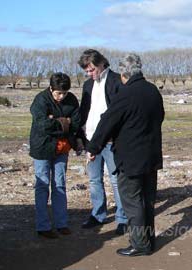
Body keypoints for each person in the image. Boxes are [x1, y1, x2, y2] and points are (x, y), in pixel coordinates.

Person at [86, 53, 164, 256]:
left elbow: (107, 122)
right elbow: (160, 117)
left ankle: (139, 244)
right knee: (147, 200)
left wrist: (93, 148)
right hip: (151, 155)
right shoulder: (153, 90)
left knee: (132, 201)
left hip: (131, 158)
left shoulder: (127, 93)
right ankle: (149, 240)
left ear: (123, 72)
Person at [77, 49, 128, 235]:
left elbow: (119, 114)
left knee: (116, 180)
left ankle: (123, 218)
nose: (89, 74)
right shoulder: (87, 85)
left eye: (91, 70)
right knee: (94, 180)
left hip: (111, 141)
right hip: (91, 140)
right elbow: (85, 111)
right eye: (86, 71)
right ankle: (98, 214)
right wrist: (80, 137)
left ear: (101, 64)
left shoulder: (116, 81)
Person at [29, 72, 80, 239]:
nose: (61, 96)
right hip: (42, 148)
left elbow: (77, 122)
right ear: (51, 88)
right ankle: (43, 226)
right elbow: (42, 124)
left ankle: (61, 224)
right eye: (58, 93)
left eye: (64, 93)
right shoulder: (40, 100)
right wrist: (64, 122)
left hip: (61, 149)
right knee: (42, 185)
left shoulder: (71, 100)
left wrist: (56, 121)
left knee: (60, 184)